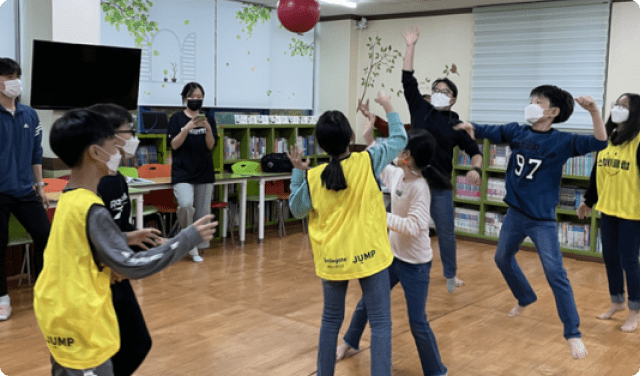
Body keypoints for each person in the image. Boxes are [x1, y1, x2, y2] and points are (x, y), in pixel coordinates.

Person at [33, 108, 218, 376]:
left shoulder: (70, 199)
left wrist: (121, 238)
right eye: (113, 145)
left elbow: (80, 247)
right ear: (96, 153)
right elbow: (132, 264)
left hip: (60, 313)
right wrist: (187, 238)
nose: (119, 152)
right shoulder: (91, 208)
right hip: (80, 321)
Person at [456, 86, 608, 359]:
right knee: (502, 259)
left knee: (555, 273)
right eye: (531, 101)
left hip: (542, 221)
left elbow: (599, 142)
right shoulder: (518, 131)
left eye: (538, 102)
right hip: (515, 213)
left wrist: (595, 111)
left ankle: (572, 333)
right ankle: (525, 296)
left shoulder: (562, 141)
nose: (532, 105)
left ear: (553, 112)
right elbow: (490, 130)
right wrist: (470, 125)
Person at [287, 91, 407, 376]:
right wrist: (387, 105)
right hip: (370, 254)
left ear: (319, 143)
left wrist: (296, 173)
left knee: (330, 322)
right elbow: (400, 139)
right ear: (350, 135)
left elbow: (297, 210)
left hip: (333, 259)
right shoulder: (367, 161)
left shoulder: (313, 177)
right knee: (381, 324)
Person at [359, 27, 483, 293]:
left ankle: (451, 274)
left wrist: (476, 169)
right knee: (397, 226)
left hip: (438, 185)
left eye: (444, 90)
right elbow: (408, 79)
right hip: (410, 176)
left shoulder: (456, 123)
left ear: (452, 98)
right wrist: (410, 46)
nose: (438, 92)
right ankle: (388, 265)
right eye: (435, 89)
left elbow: (475, 150)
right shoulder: (420, 107)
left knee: (446, 232)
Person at [336, 116, 449, 376]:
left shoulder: (420, 188)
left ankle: (437, 370)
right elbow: (377, 162)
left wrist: (380, 215)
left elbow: (415, 226)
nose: (397, 149)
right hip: (391, 257)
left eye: (402, 147)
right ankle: (349, 342)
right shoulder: (399, 174)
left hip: (416, 265)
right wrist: (368, 138)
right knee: (367, 302)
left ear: (408, 155)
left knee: (417, 322)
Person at [91, 103, 162, 375]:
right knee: (117, 345)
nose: (133, 137)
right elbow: (92, 236)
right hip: (102, 275)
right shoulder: (92, 186)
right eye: (127, 131)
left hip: (118, 270)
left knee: (136, 343)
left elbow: (121, 224)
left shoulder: (118, 178)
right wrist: (112, 263)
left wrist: (153, 241)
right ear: (108, 137)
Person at [577, 93, 640, 333]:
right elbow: (597, 173)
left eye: (624, 106)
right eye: (616, 104)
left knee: (629, 261)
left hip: (632, 213)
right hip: (608, 210)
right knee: (610, 258)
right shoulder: (608, 139)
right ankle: (617, 302)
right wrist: (588, 201)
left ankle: (635, 309)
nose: (618, 108)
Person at [0, 57, 51, 321]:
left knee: (45, 235)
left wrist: (40, 186)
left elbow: (36, 152)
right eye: (8, 76)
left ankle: (42, 289)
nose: (14, 81)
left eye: (16, 75)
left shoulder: (29, 114)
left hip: (25, 190)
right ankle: (1, 297)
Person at [167, 82, 218, 262]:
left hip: (204, 171)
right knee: (186, 204)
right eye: (192, 97)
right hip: (182, 172)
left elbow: (210, 145)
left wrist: (208, 129)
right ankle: (190, 244)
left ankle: (198, 245)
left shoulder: (208, 118)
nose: (196, 100)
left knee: (203, 212)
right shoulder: (176, 119)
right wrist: (187, 129)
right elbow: (173, 145)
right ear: (184, 98)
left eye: (199, 97)